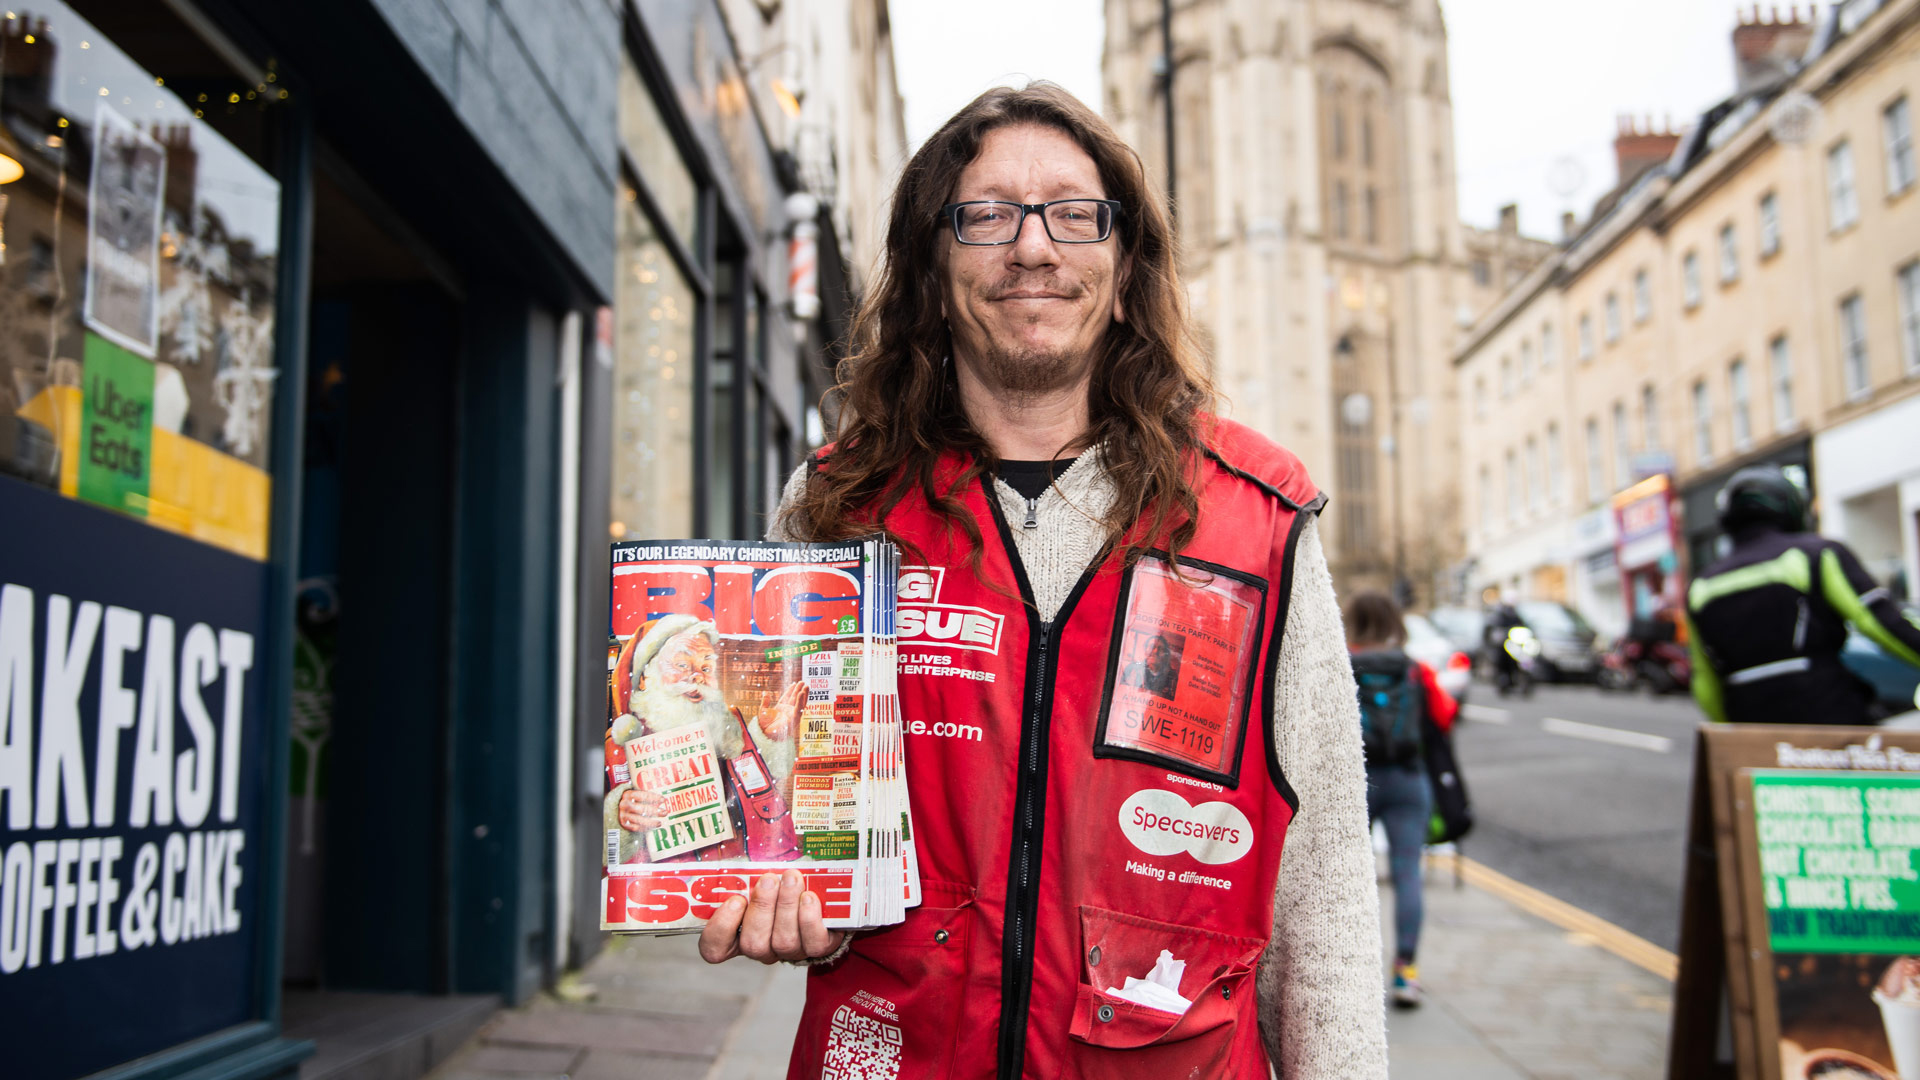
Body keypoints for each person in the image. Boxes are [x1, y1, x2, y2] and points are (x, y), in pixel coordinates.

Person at [692, 83, 1388, 1078]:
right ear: (934, 267)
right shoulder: (836, 507)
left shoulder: (1258, 519)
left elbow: (1320, 899)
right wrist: (787, 899)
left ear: (1124, 260)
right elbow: (779, 821)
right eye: (986, 215)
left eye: (1073, 213)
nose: (1033, 248)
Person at [1687, 466, 1920, 725]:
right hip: (1829, 721)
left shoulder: (1701, 586)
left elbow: (1704, 683)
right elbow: (1880, 622)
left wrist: (1736, 737)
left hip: (1753, 729)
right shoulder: (1816, 554)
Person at [603, 615, 803, 863]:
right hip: (671, 894)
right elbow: (581, 839)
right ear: (644, 676)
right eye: (682, 665)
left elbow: (765, 782)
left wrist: (771, 738)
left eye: (706, 667)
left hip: (750, 880)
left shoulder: (728, 726)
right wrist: (619, 816)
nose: (697, 676)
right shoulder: (616, 750)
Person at [1345, 591, 1457, 1009]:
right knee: (1408, 874)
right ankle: (1405, 974)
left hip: (1358, 783)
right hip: (1410, 781)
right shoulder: (1414, 670)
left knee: (1350, 881)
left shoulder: (1344, 666)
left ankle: (1352, 977)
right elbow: (1444, 716)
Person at [1119, 632, 1179, 698]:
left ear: (1165, 654)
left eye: (1160, 648)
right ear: (1145, 650)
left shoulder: (1172, 676)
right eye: (1152, 646)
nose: (1155, 651)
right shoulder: (1132, 669)